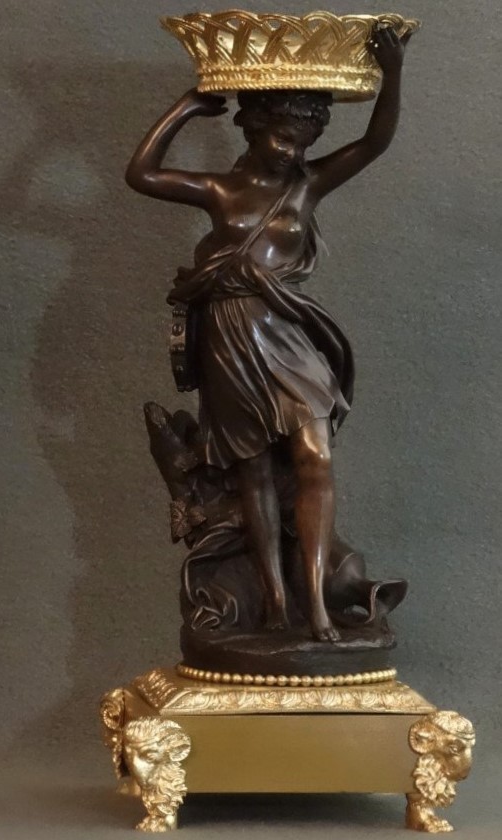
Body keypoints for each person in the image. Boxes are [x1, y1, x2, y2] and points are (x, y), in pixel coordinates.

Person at [125, 25, 410, 642]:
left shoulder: (307, 185)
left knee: (315, 457)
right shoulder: (221, 190)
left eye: (303, 140)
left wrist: (393, 73)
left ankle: (316, 601)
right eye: (281, 137)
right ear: (251, 130)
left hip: (287, 330)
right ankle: (278, 604)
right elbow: (141, 174)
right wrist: (186, 107)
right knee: (251, 469)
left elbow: (376, 141)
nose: (291, 150)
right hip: (230, 331)